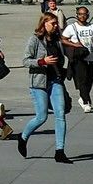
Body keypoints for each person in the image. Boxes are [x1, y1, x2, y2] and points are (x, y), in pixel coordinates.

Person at [18, 13, 72, 162]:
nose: (55, 26)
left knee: (60, 114)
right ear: (44, 24)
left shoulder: (57, 41)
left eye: (56, 23)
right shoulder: (34, 40)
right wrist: (42, 61)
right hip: (39, 83)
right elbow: (25, 60)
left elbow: (62, 58)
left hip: (55, 81)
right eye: (52, 23)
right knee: (42, 117)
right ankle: (23, 137)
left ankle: (59, 151)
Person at [61, 6, 93, 112]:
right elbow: (63, 39)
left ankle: (82, 98)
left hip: (90, 58)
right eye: (80, 14)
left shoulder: (92, 27)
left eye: (85, 14)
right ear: (77, 15)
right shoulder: (71, 27)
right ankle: (86, 102)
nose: (83, 16)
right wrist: (74, 44)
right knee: (82, 80)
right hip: (78, 59)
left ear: (88, 15)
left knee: (89, 80)